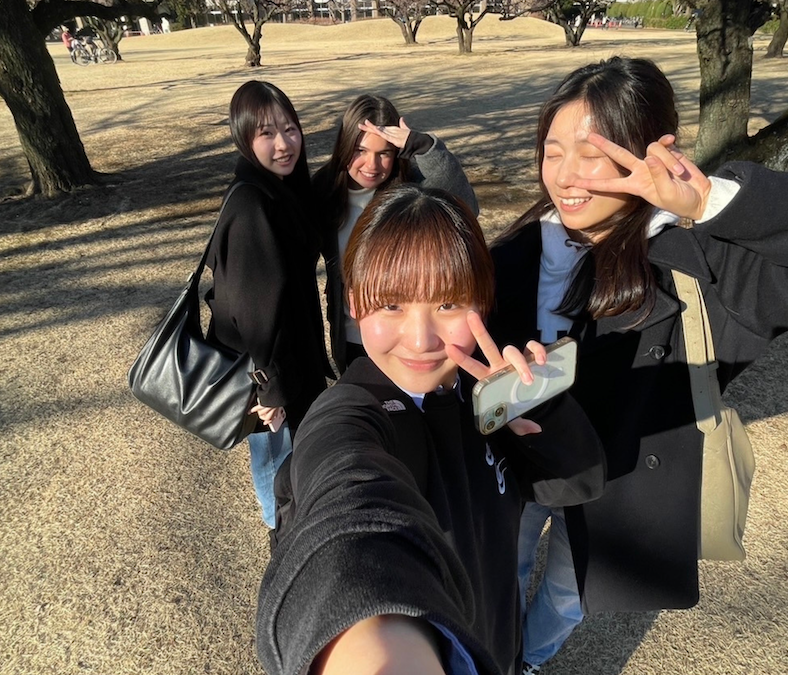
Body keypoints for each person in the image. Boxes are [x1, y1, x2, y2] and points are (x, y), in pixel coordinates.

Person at [487, 56, 788, 673]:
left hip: (620, 479)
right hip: (523, 462)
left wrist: (714, 201)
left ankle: (526, 660)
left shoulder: (704, 265)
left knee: (569, 592)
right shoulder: (517, 251)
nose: (566, 176)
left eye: (591, 154)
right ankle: (492, 653)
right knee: (499, 562)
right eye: (552, 151)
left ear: (646, 155)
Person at [257, 185, 606, 675]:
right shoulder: (352, 413)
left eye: (447, 305)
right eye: (392, 305)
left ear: (482, 304)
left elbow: (580, 482)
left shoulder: (483, 396)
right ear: (355, 305)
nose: (421, 340)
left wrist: (541, 408)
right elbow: (345, 500)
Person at [204, 81, 329, 528]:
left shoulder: (283, 190)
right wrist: (270, 391)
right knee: (277, 465)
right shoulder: (252, 204)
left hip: (293, 363)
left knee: (295, 463)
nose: (283, 144)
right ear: (243, 138)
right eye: (266, 134)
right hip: (270, 376)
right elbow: (252, 310)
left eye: (290, 129)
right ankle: (281, 537)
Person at [312, 94, 479, 374]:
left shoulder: (410, 185)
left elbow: (467, 208)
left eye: (384, 153)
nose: (371, 165)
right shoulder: (324, 189)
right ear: (343, 147)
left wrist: (424, 147)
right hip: (352, 336)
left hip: (405, 340)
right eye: (360, 150)